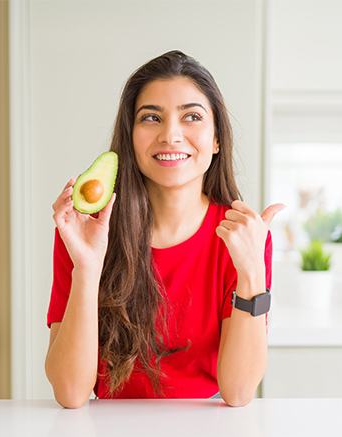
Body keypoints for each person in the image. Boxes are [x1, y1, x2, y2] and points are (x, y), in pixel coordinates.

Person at [45, 50, 285, 409]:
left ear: (217, 139)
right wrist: (87, 267)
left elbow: (237, 392)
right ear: (131, 138)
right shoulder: (86, 231)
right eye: (151, 118)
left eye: (191, 117)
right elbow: (71, 393)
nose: (171, 135)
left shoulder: (241, 238)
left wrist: (252, 272)